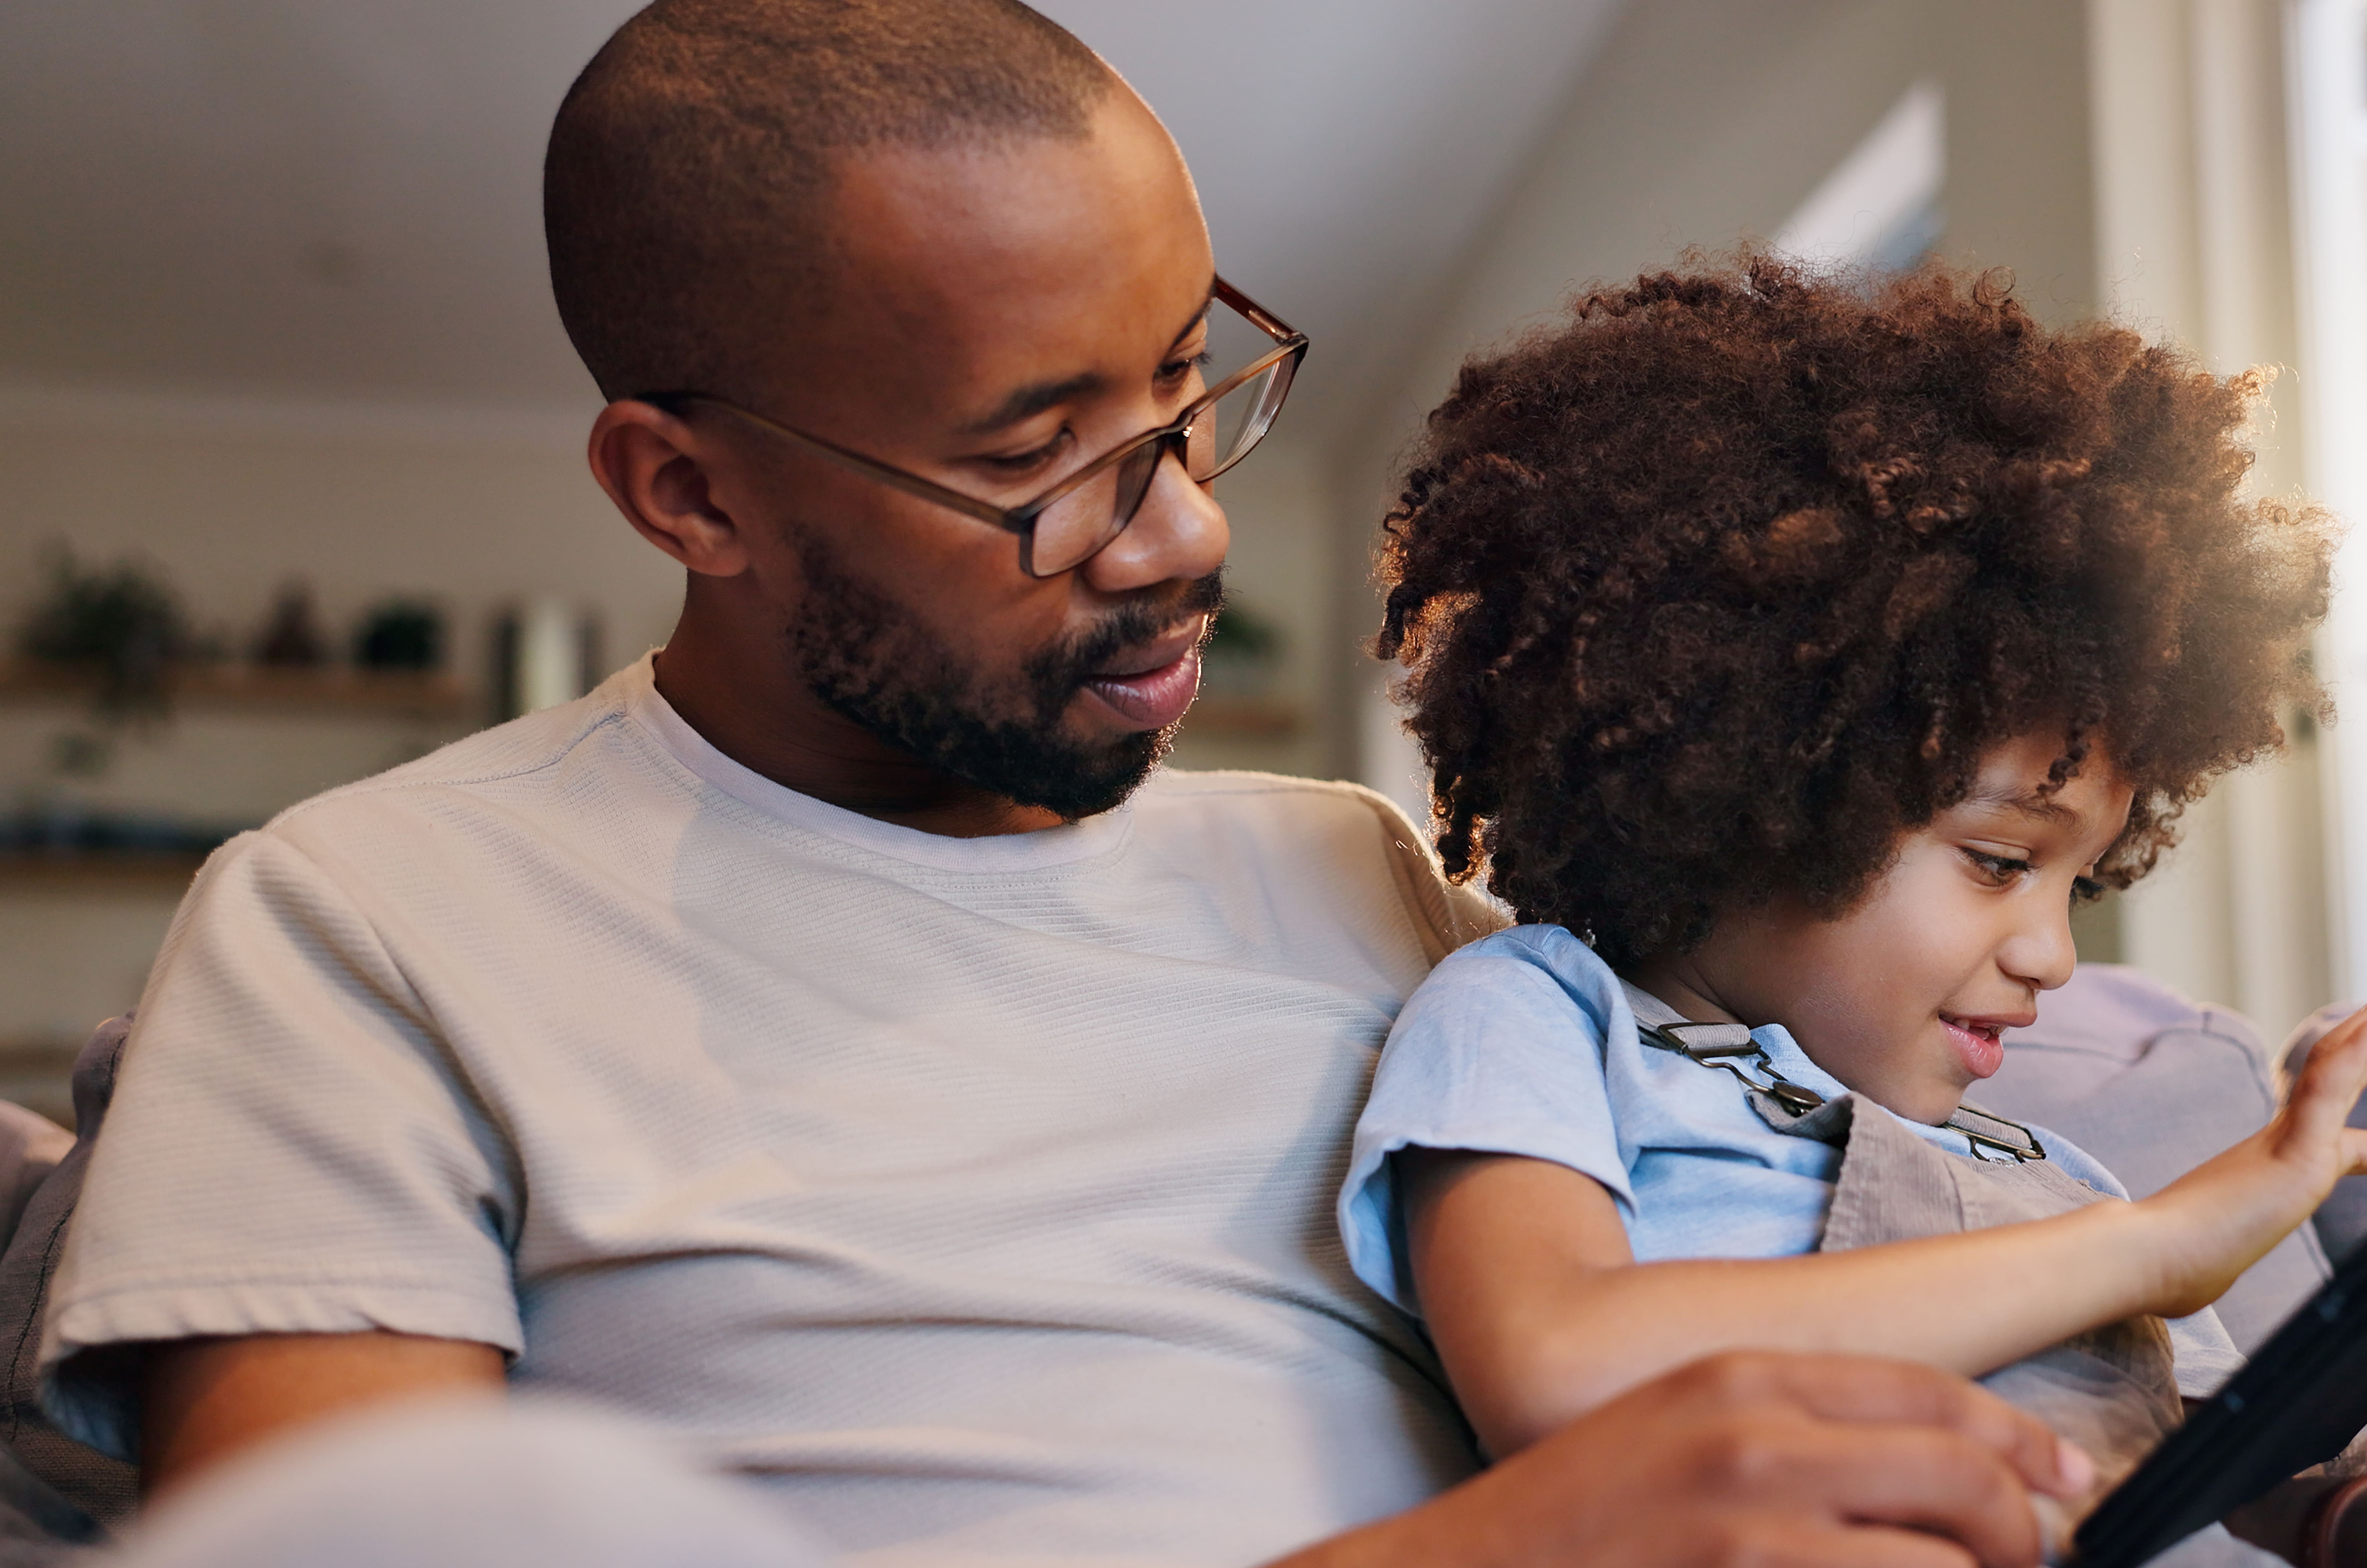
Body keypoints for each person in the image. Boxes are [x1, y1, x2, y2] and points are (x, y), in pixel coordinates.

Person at [30, 4, 2087, 1565]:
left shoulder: (1356, 874)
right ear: (689, 489)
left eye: (1187, 388)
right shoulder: (367, 923)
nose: (1180, 529)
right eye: (1035, 459)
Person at [1343, 257, 2367, 1567]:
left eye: (2075, 880)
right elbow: (1557, 1364)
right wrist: (2154, 1244)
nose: (2050, 956)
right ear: (1746, 798)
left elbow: (2309, 1526)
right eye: (1993, 859)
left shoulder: (2049, 1176)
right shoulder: (1536, 1014)